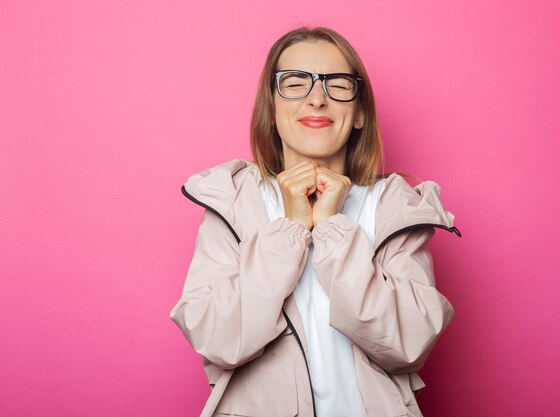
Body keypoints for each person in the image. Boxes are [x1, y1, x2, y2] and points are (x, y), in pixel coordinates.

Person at [170, 26, 461, 417]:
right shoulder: (233, 203)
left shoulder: (393, 207)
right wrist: (289, 230)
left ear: (359, 113)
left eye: (337, 84)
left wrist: (331, 229)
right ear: (271, 109)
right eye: (295, 83)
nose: (317, 99)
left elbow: (408, 343)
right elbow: (217, 338)